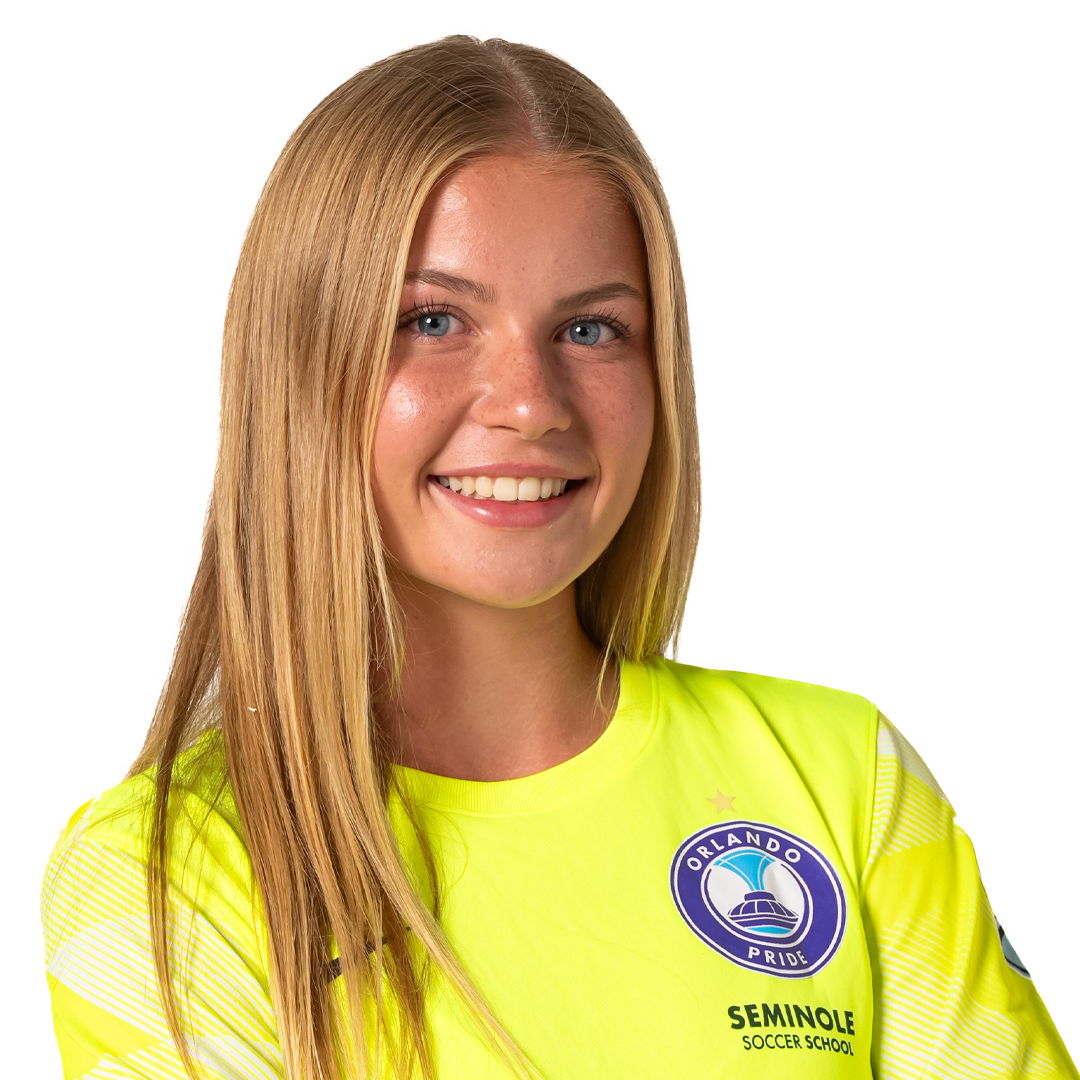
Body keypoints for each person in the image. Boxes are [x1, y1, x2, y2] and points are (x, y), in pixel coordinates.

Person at [39, 34, 1078, 1080]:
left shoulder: (846, 778)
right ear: (297, 366)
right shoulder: (161, 871)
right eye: (434, 320)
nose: (531, 404)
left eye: (592, 330)